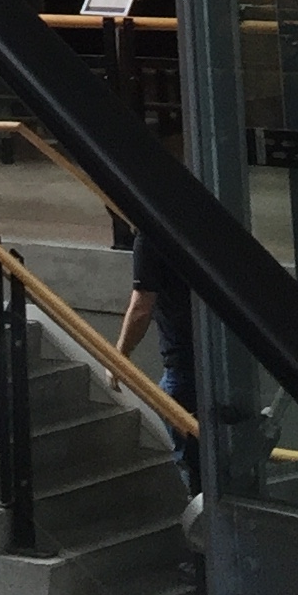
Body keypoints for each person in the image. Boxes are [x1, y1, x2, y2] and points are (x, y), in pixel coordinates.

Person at [118, 223, 206, 543]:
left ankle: (205, 556)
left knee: (195, 466)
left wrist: (118, 358)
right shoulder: (195, 224)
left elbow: (141, 307)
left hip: (184, 362)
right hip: (216, 356)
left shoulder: (150, 236)